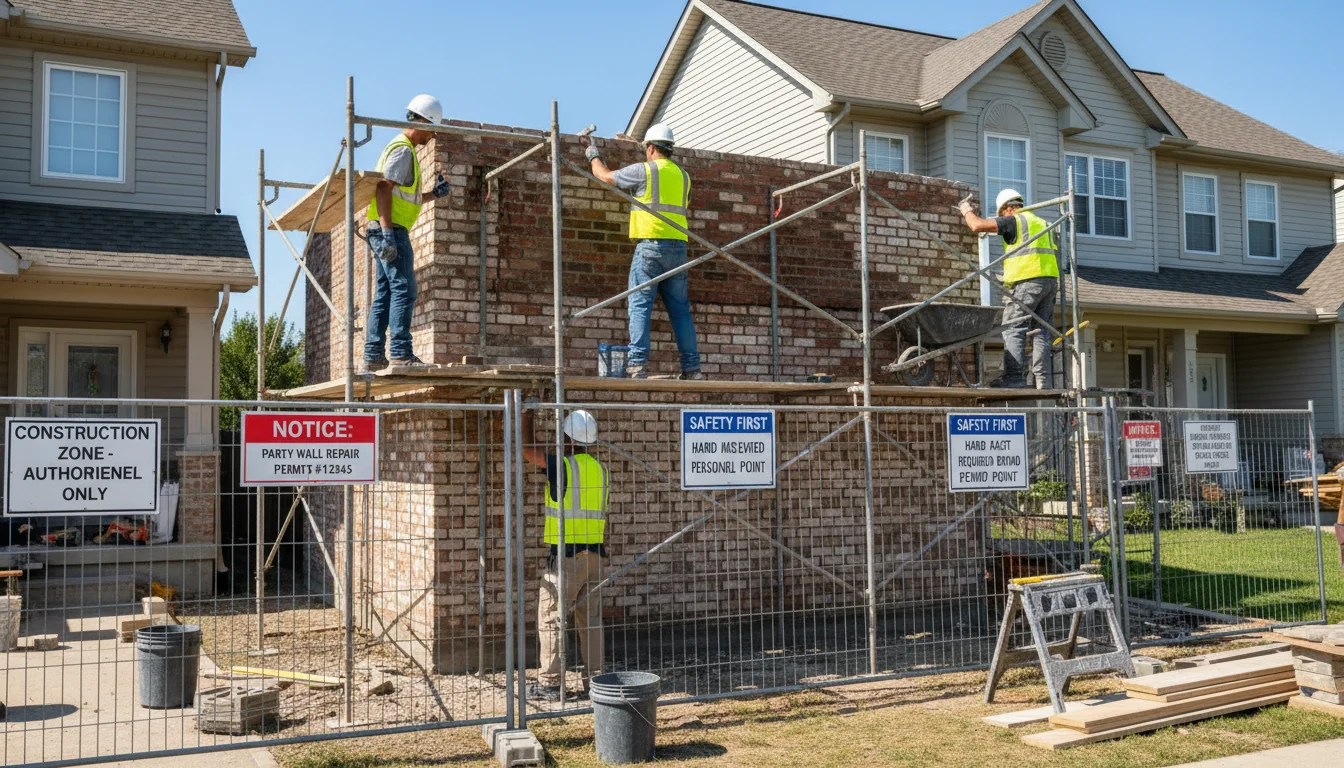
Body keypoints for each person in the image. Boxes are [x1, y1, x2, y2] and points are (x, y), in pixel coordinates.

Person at [582, 124, 703, 380]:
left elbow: (604, 176)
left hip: (650, 248)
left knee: (639, 307)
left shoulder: (644, 171)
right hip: (679, 249)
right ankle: (692, 369)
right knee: (680, 310)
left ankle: (637, 365)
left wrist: (592, 153)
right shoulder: (684, 176)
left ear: (650, 148)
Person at [522, 405, 608, 701]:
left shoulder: (564, 466)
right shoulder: (599, 468)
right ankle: (596, 682)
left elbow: (528, 450)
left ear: (568, 438)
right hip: (594, 558)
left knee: (552, 617)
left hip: (568, 560)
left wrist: (527, 415)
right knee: (591, 620)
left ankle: (550, 684)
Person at [362, 94, 451, 371]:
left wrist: (432, 195)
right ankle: (400, 353)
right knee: (404, 288)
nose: (433, 135)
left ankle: (374, 355)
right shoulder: (403, 149)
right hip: (390, 230)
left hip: (384, 227)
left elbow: (404, 196)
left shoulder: (402, 149)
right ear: (422, 121)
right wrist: (388, 234)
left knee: (386, 292)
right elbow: (383, 189)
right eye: (432, 127)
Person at [959, 188, 1060, 389]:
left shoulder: (1015, 220)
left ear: (1007, 209)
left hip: (1026, 280)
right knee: (1041, 331)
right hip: (1050, 282)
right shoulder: (1043, 223)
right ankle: (1043, 381)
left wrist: (966, 209)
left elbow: (976, 225)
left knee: (1014, 328)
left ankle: (1015, 377)